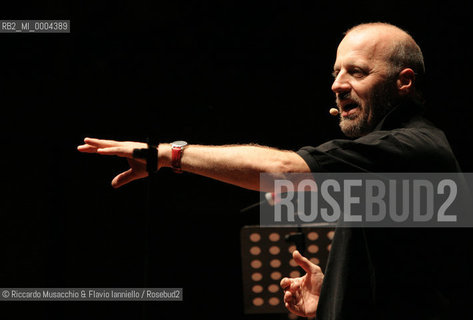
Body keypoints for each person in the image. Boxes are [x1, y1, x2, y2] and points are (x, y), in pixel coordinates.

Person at [78, 23, 468, 319]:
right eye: (335, 73)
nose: (338, 84)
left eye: (358, 72)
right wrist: (332, 297)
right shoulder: (397, 160)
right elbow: (414, 280)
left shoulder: (411, 148)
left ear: (404, 82)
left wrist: (168, 155)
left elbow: (282, 170)